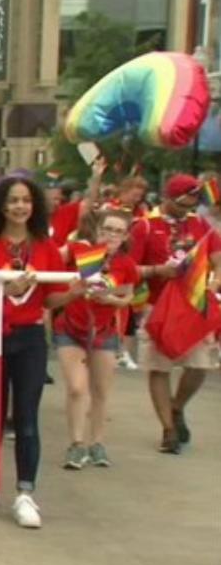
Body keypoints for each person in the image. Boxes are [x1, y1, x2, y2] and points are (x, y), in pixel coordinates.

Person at [0, 176, 83, 529]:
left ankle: (25, 493)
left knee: (28, 418)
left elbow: (51, 298)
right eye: (13, 200)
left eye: (26, 200)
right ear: (1, 206)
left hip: (31, 337)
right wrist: (3, 291)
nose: (20, 206)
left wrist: (75, 292)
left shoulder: (46, 247)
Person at [129, 174, 219, 453]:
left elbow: (216, 258)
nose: (187, 208)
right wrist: (156, 271)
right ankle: (168, 430)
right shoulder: (144, 226)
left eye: (193, 202)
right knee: (159, 367)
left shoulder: (199, 223)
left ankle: (177, 407)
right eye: (182, 203)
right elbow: (129, 267)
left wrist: (216, 279)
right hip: (157, 305)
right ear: (167, 198)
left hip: (193, 305)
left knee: (200, 364)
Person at [54, 209, 138, 470]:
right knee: (77, 388)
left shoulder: (126, 264)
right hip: (71, 328)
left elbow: (127, 297)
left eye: (117, 231)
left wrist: (111, 299)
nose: (110, 235)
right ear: (97, 230)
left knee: (100, 391)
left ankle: (97, 443)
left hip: (104, 332)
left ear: (125, 237)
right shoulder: (81, 251)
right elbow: (51, 260)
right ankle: (76, 444)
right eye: (106, 229)